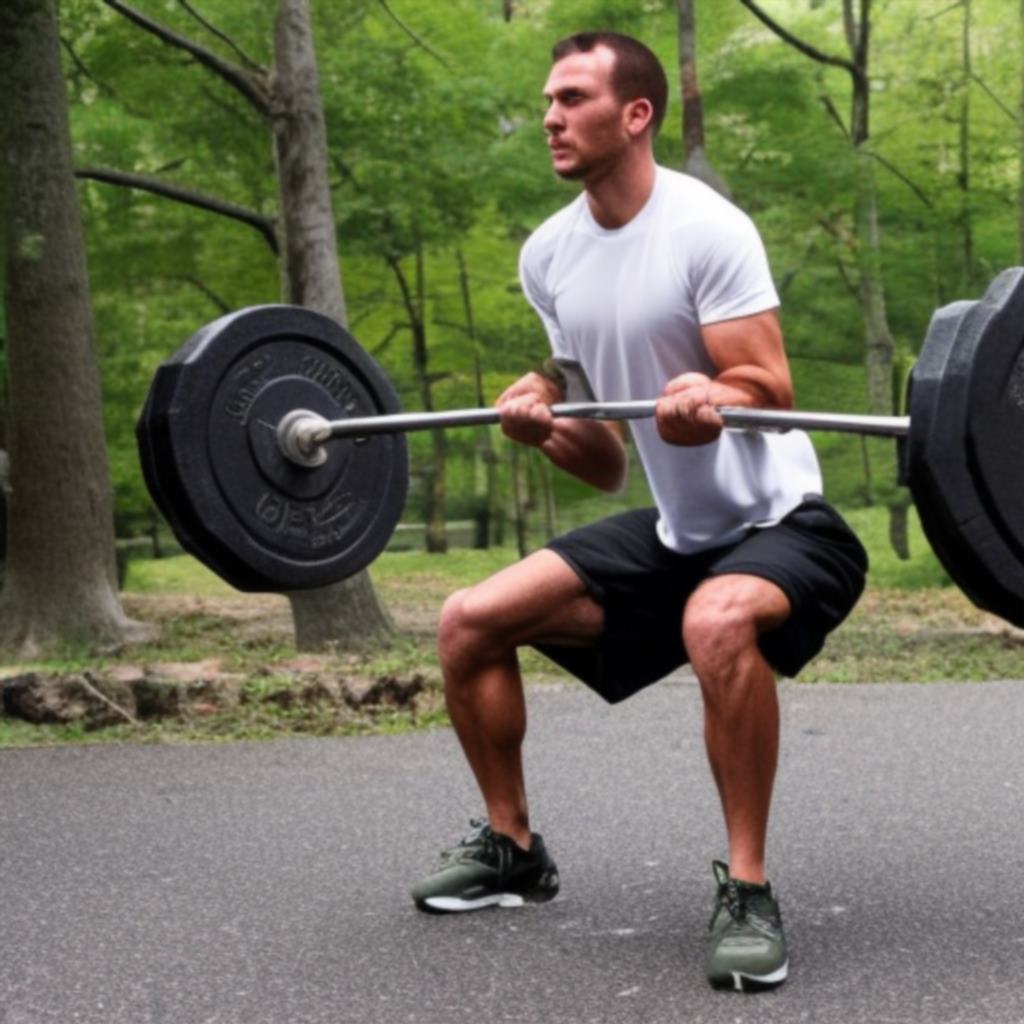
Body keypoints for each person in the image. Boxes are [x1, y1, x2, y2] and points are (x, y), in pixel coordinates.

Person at [411, 31, 867, 993]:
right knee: (468, 621)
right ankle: (513, 849)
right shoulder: (551, 256)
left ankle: (747, 889)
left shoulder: (707, 228)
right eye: (547, 99)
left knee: (717, 618)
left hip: (782, 522)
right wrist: (542, 425)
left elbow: (772, 387)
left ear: (635, 113)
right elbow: (608, 462)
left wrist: (716, 395)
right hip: (674, 534)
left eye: (572, 98)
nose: (549, 116)